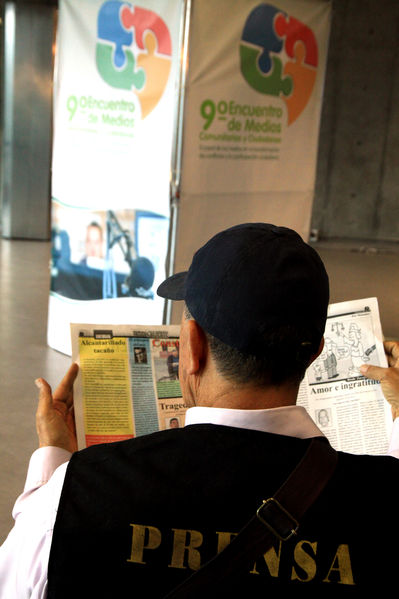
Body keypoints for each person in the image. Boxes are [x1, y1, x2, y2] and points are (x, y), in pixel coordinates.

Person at [1, 222, 399, 598]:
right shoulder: (381, 501)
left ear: (191, 346)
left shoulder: (76, 492)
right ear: (314, 353)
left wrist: (56, 462)